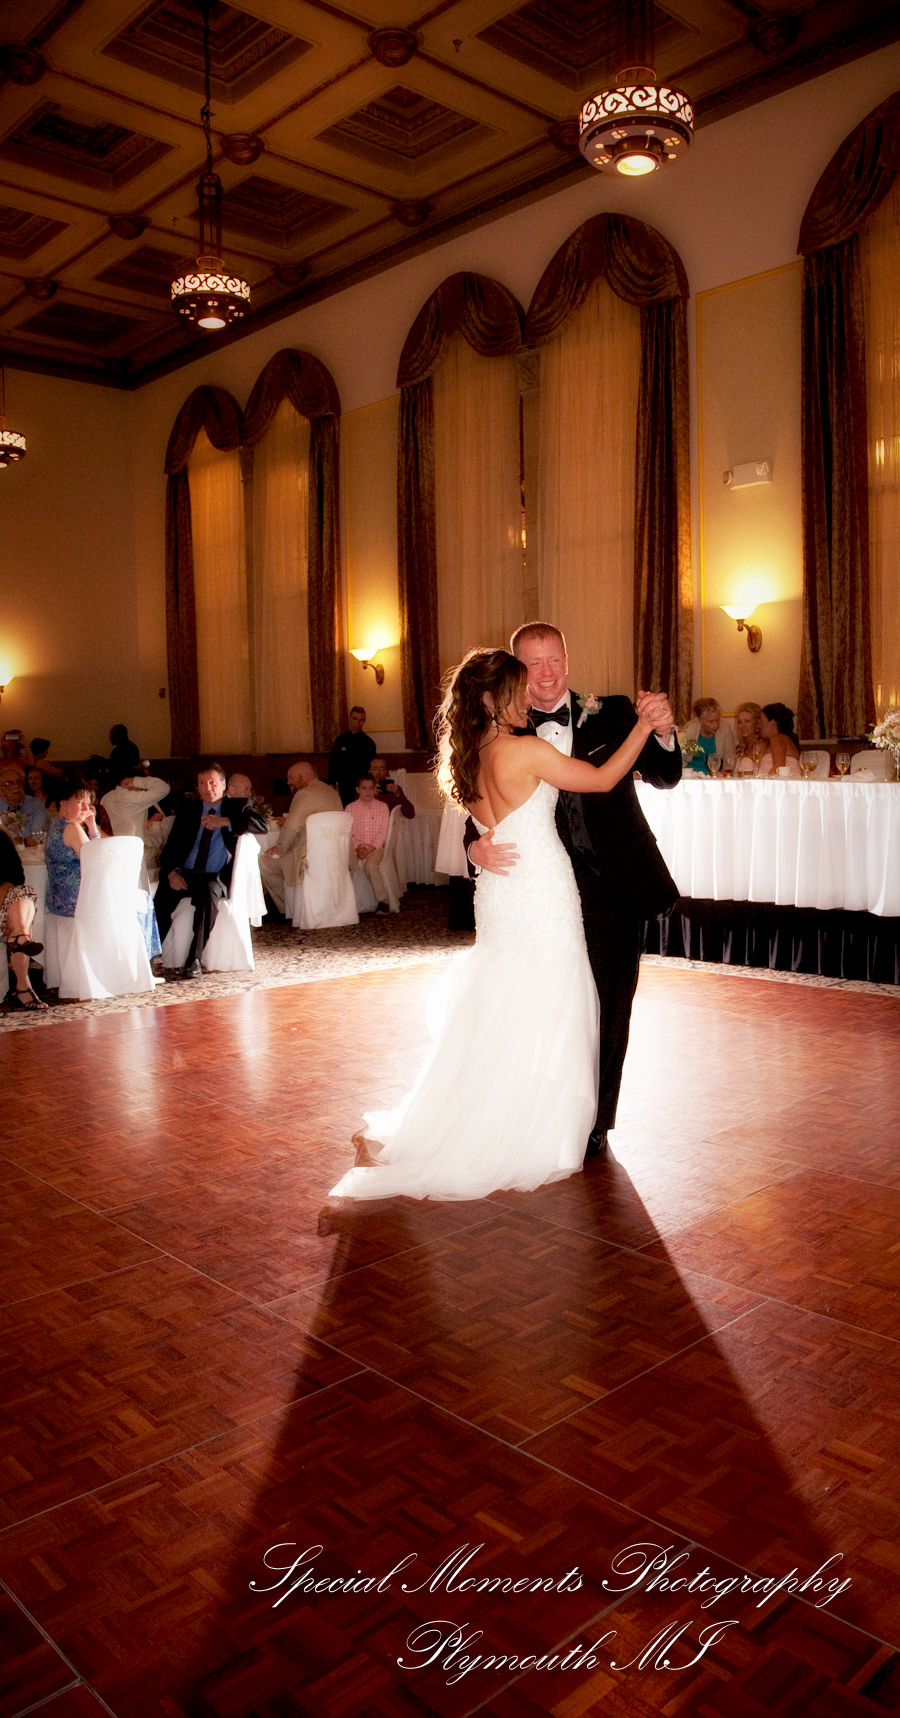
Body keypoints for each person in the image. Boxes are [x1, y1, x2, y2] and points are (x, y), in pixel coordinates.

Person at [329, 649, 668, 1202]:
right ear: (491, 699)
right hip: (540, 891)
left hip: (501, 894)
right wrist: (645, 725)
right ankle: (540, 1127)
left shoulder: (466, 757)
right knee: (557, 1000)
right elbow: (604, 779)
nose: (527, 696)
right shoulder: (523, 749)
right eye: (516, 688)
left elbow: (480, 819)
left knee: (505, 999)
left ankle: (499, 1112)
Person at [469, 623, 681, 1159]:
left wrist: (660, 730)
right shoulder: (504, 735)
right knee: (544, 1003)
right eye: (532, 663)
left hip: (614, 886)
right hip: (544, 891)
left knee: (610, 1007)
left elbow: (666, 774)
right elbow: (475, 811)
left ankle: (595, 1122)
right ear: (516, 671)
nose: (545, 673)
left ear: (567, 658)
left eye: (553, 660)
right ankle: (543, 1106)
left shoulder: (610, 711)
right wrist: (475, 849)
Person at [153, 763, 266, 978]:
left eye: (213, 782)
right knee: (162, 897)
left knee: (207, 896)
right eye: (203, 783)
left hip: (214, 877)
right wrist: (171, 873)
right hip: (184, 873)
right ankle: (149, 956)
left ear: (224, 785)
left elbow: (262, 825)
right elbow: (169, 849)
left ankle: (193, 959)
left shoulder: (236, 808)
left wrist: (225, 821)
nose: (208, 788)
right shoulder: (188, 810)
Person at [260, 762, 342, 916]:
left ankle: (290, 908)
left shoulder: (305, 793)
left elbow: (291, 828)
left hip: (309, 856)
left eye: (291, 777)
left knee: (266, 862)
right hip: (335, 853)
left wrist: (279, 848)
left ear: (304, 776)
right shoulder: (331, 791)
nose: (288, 782)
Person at [0, 828, 45, 1009]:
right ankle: (23, 987)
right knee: (19, 905)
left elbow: (17, 876)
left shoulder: (1, 838)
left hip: (5, 907)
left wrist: (5, 888)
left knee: (24, 893)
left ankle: (20, 936)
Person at [348, 774, 391, 913]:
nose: (368, 792)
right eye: (364, 788)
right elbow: (349, 833)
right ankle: (349, 902)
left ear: (375, 789)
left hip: (376, 848)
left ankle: (381, 900)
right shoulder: (350, 808)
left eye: (371, 788)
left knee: (371, 865)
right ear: (357, 789)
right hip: (357, 848)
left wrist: (370, 849)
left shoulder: (382, 807)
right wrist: (358, 848)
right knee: (347, 864)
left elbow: (382, 833)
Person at [328, 707, 375, 805]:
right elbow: (333, 765)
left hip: (360, 788)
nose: (357, 723)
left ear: (364, 721)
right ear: (349, 719)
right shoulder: (340, 740)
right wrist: (332, 785)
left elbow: (370, 770)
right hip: (342, 788)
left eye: (361, 720)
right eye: (354, 719)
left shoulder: (368, 743)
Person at [682, 698, 736, 774]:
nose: (716, 725)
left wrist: (722, 775)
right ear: (700, 720)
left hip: (717, 776)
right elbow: (680, 760)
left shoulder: (725, 729)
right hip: (692, 776)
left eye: (718, 720)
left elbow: (730, 759)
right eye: (711, 721)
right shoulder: (689, 730)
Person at [0, 765, 48, 840]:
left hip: (29, 850)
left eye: (19, 782)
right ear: (1, 790)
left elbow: (37, 835)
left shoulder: (37, 805)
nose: (15, 786)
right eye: (9, 783)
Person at [759, 702, 802, 775]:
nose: (760, 726)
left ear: (772, 723)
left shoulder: (777, 738)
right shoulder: (783, 738)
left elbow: (778, 768)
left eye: (762, 722)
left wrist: (761, 784)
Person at [734, 701, 768, 773]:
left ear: (757, 723)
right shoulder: (741, 747)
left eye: (747, 721)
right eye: (740, 722)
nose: (743, 726)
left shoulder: (761, 745)